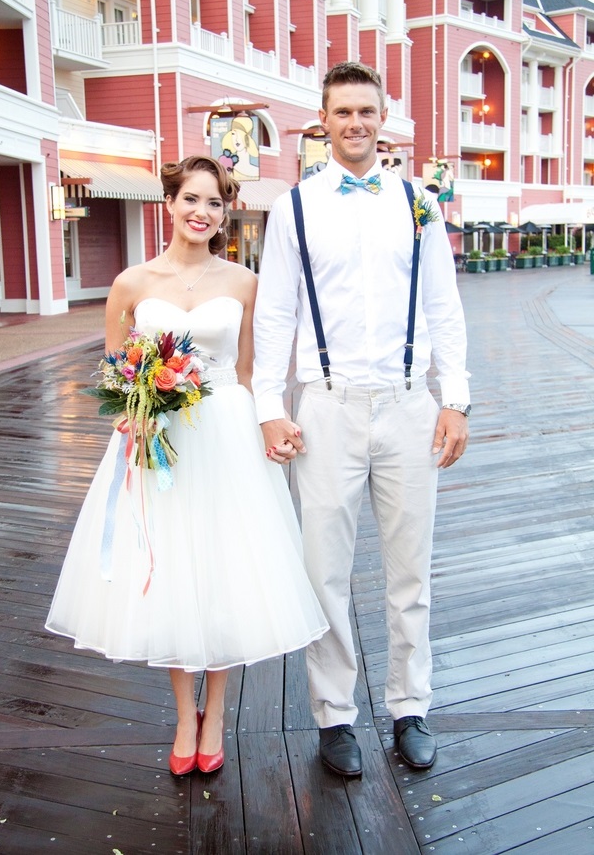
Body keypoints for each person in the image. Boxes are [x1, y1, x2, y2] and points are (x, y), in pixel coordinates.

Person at [46, 155, 327, 777]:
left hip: (225, 432)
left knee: (224, 567)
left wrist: (268, 425)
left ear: (225, 212)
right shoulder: (132, 283)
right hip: (160, 440)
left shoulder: (245, 283)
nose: (202, 213)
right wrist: (132, 416)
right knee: (168, 564)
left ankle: (217, 710)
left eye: (215, 203)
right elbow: (116, 372)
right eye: (191, 199)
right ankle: (182, 714)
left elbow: (252, 372)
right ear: (168, 203)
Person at [252, 62, 470, 777]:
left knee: (411, 572)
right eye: (343, 112)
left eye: (367, 112)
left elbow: (443, 306)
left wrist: (455, 399)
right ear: (324, 122)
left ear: (384, 120)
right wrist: (268, 407)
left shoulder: (418, 202)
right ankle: (335, 717)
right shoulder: (296, 207)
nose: (355, 124)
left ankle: (411, 708)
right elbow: (277, 311)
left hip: (410, 404)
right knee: (325, 574)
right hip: (326, 409)